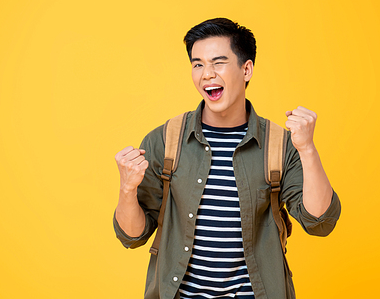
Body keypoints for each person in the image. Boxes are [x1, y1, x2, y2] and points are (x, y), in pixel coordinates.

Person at [113, 18, 341, 299]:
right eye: (198, 64)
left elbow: (319, 222)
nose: (206, 74)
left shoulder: (279, 145)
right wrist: (127, 189)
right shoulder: (165, 140)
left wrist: (307, 149)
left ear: (246, 69)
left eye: (218, 62)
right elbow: (132, 237)